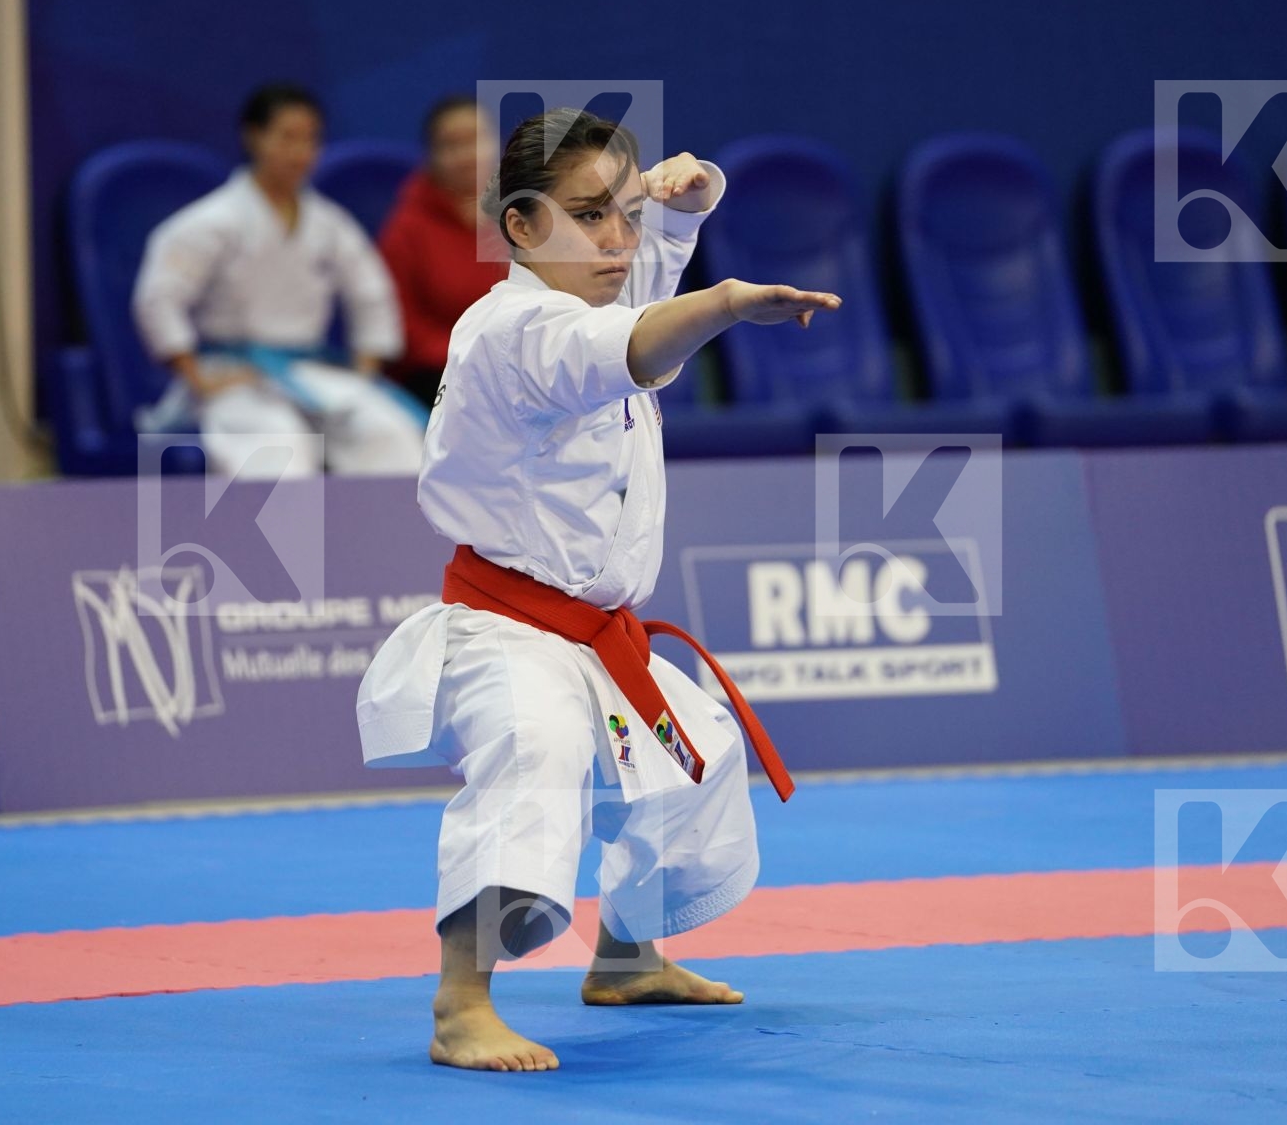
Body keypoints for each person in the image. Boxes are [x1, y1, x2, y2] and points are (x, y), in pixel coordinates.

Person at [355, 108, 841, 1072]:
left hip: (595, 632)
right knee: (537, 752)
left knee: (695, 750)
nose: (617, 240)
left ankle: (626, 955)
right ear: (522, 227)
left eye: (625, 212)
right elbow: (635, 347)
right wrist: (730, 302)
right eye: (591, 216)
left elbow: (643, 282)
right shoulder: (516, 328)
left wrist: (691, 199)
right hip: (507, 627)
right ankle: (461, 1005)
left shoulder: (589, 287)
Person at [133, 83, 425, 479]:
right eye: (287, 137)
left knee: (389, 433)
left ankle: (388, 541)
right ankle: (275, 542)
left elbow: (370, 293)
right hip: (235, 372)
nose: (300, 153)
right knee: (279, 446)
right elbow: (159, 297)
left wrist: (365, 369)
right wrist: (194, 373)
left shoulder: (328, 222)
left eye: (310, 139)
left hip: (310, 369)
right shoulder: (212, 220)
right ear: (254, 137)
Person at [377, 95, 503, 408]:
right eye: (452, 145)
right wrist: (471, 355)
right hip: (436, 376)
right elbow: (400, 327)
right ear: (431, 155)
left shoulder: (523, 215)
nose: (467, 156)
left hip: (512, 365)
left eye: (476, 139)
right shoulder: (406, 228)